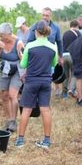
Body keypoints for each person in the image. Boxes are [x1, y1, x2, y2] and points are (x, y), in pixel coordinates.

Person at [15, 20, 57, 149]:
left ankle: (20, 141)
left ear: (36, 32)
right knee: (45, 109)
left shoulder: (30, 46)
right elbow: (53, 64)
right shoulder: (53, 46)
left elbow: (23, 65)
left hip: (31, 81)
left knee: (26, 109)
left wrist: (21, 55)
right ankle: (46, 141)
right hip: (45, 82)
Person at [0, 22, 25, 132]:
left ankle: (13, 121)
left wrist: (25, 74)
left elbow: (24, 60)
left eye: (2, 35)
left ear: (9, 34)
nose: (0, 37)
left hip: (17, 69)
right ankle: (8, 119)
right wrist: (0, 49)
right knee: (4, 95)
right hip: (5, 69)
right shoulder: (0, 41)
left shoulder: (19, 43)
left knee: (12, 95)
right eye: (0, 35)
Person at [27, 7, 63, 97]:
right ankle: (36, 97)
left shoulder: (55, 28)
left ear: (50, 16)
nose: (44, 17)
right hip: (37, 56)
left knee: (48, 77)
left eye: (47, 15)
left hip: (49, 56)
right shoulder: (35, 26)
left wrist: (60, 56)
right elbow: (29, 41)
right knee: (37, 77)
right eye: (43, 15)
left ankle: (45, 97)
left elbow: (59, 42)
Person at [62, 20, 81, 98]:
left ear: (70, 25)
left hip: (64, 56)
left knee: (65, 75)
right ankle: (71, 89)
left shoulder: (65, 33)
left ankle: (64, 94)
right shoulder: (78, 33)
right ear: (77, 26)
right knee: (74, 74)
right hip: (72, 56)